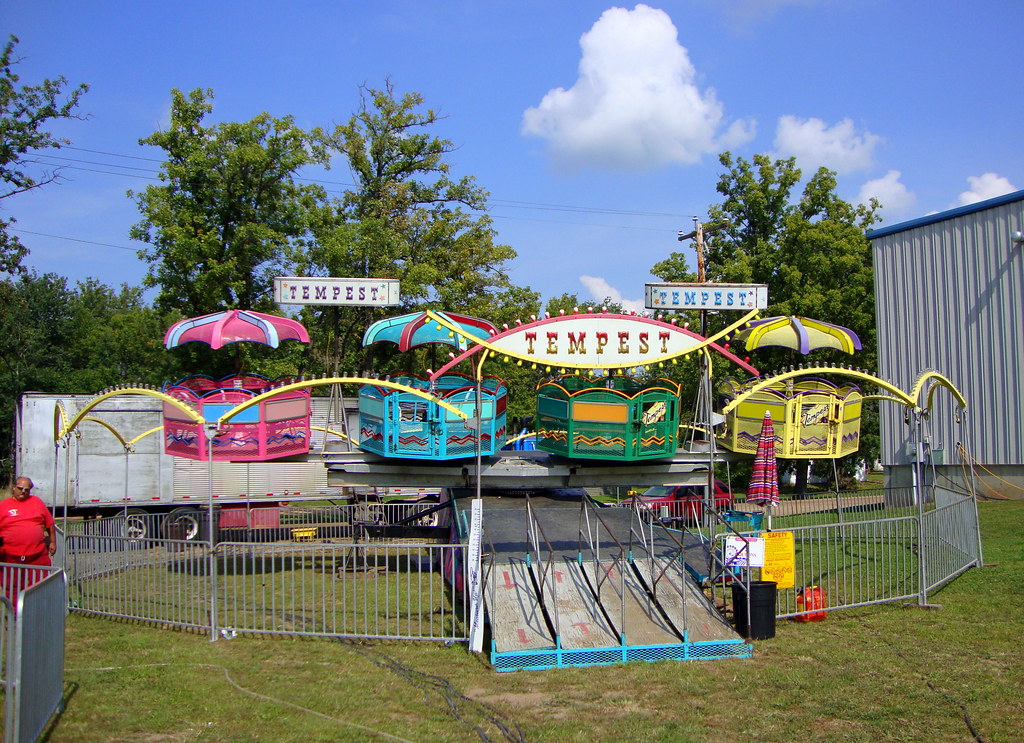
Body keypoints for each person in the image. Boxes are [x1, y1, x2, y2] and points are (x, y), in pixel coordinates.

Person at [0, 477, 56, 565]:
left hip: (37, 557)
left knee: (43, 578)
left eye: (26, 489)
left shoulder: (37, 502)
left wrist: (53, 542)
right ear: (14, 487)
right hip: (10, 558)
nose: (23, 491)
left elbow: (50, 524)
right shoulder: (3, 505)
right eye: (20, 488)